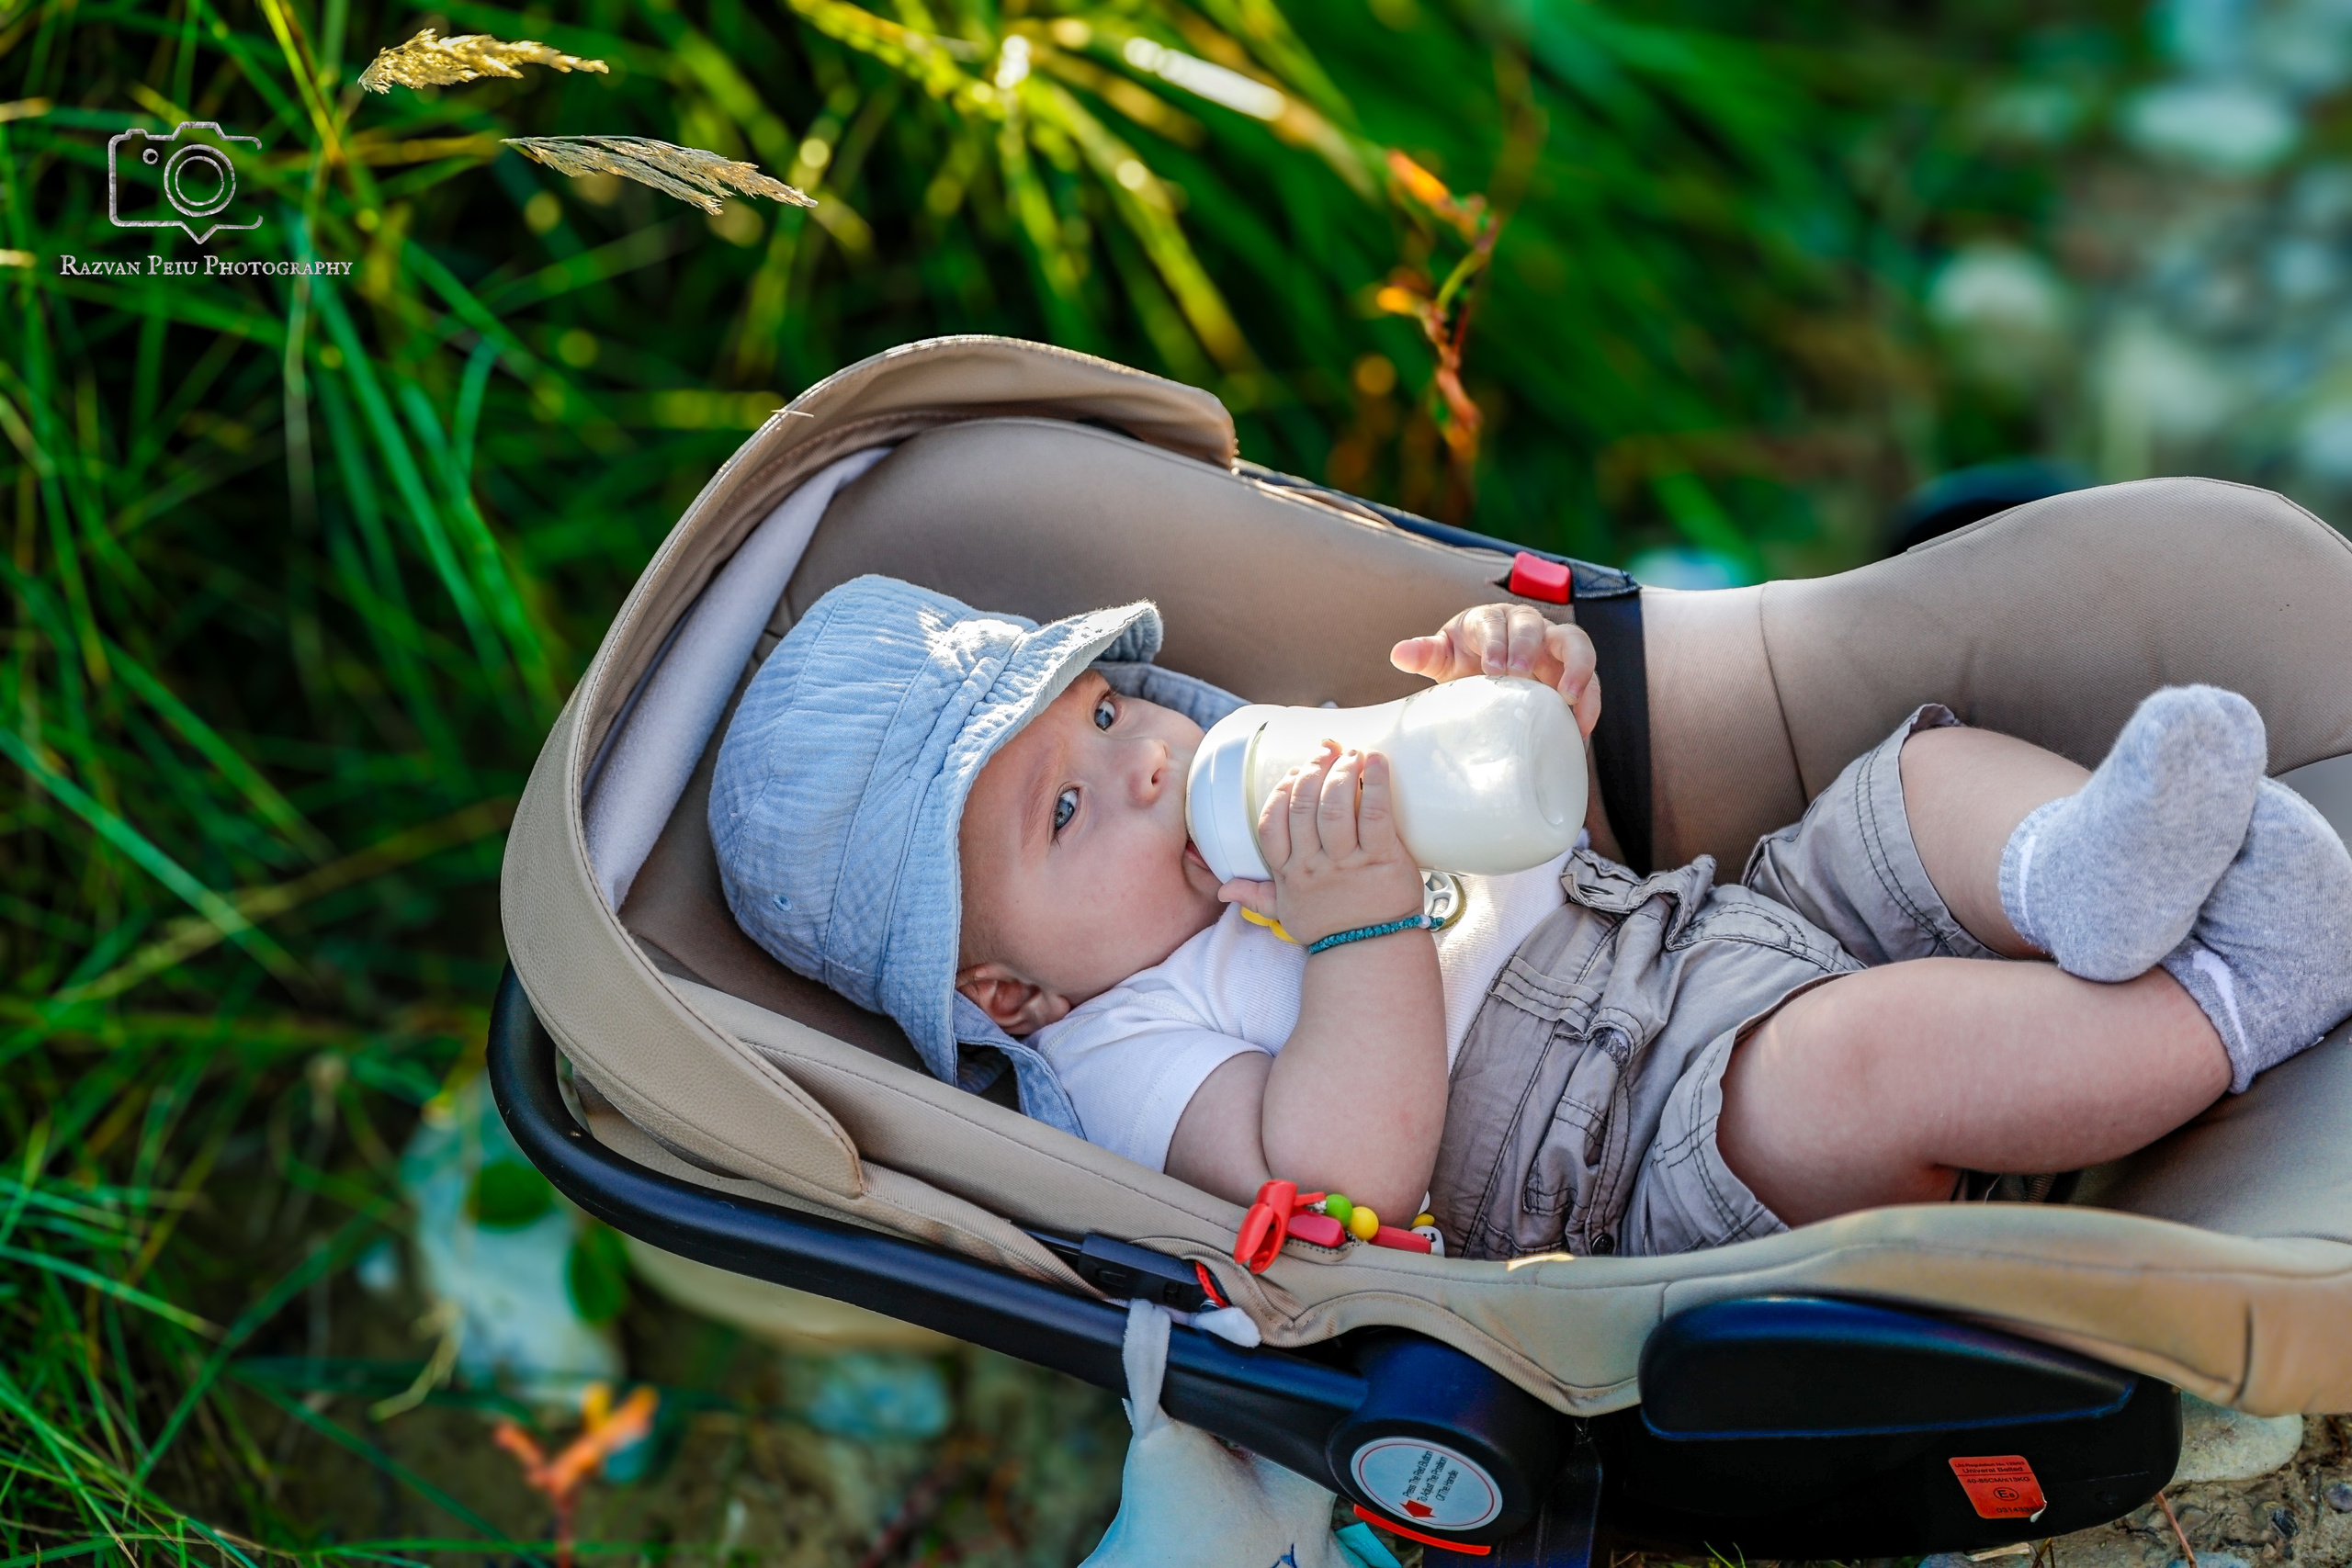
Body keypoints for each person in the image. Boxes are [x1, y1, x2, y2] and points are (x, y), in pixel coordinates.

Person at [709, 576, 2352, 1260]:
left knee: (1906, 787)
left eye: (1101, 717)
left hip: (1708, 922)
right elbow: (1346, 1178)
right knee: (1864, 1062)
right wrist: (1352, 937)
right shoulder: (1124, 1049)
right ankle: (2227, 997)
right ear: (1002, 993)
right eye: (1061, 811)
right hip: (1648, 1147)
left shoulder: (1268, 790)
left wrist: (1531, 696)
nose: (1143, 769)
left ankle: (2077, 874)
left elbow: (1514, 825)